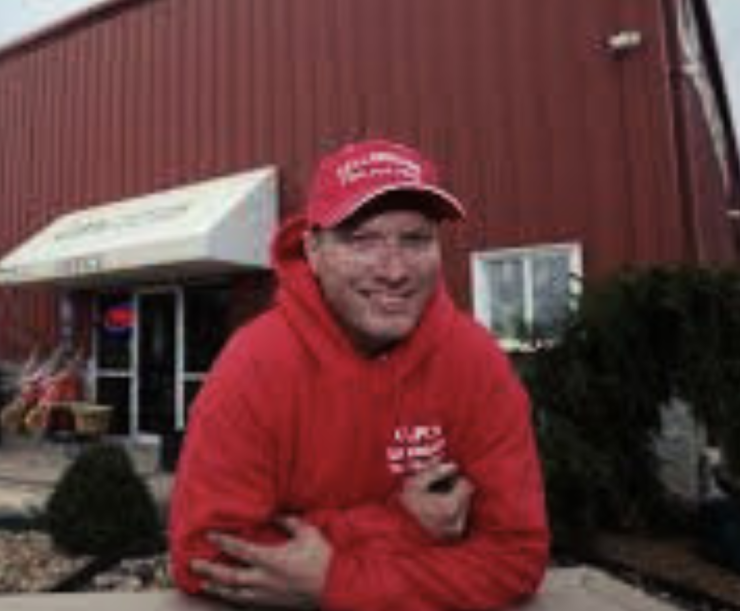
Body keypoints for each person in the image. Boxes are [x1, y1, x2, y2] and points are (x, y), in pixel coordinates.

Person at [169, 139, 549, 610]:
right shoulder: (255, 364)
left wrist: (339, 582)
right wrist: (400, 525)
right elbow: (205, 555)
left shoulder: (476, 362)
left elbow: (516, 556)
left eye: (415, 239)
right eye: (362, 240)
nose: (394, 270)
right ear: (313, 250)